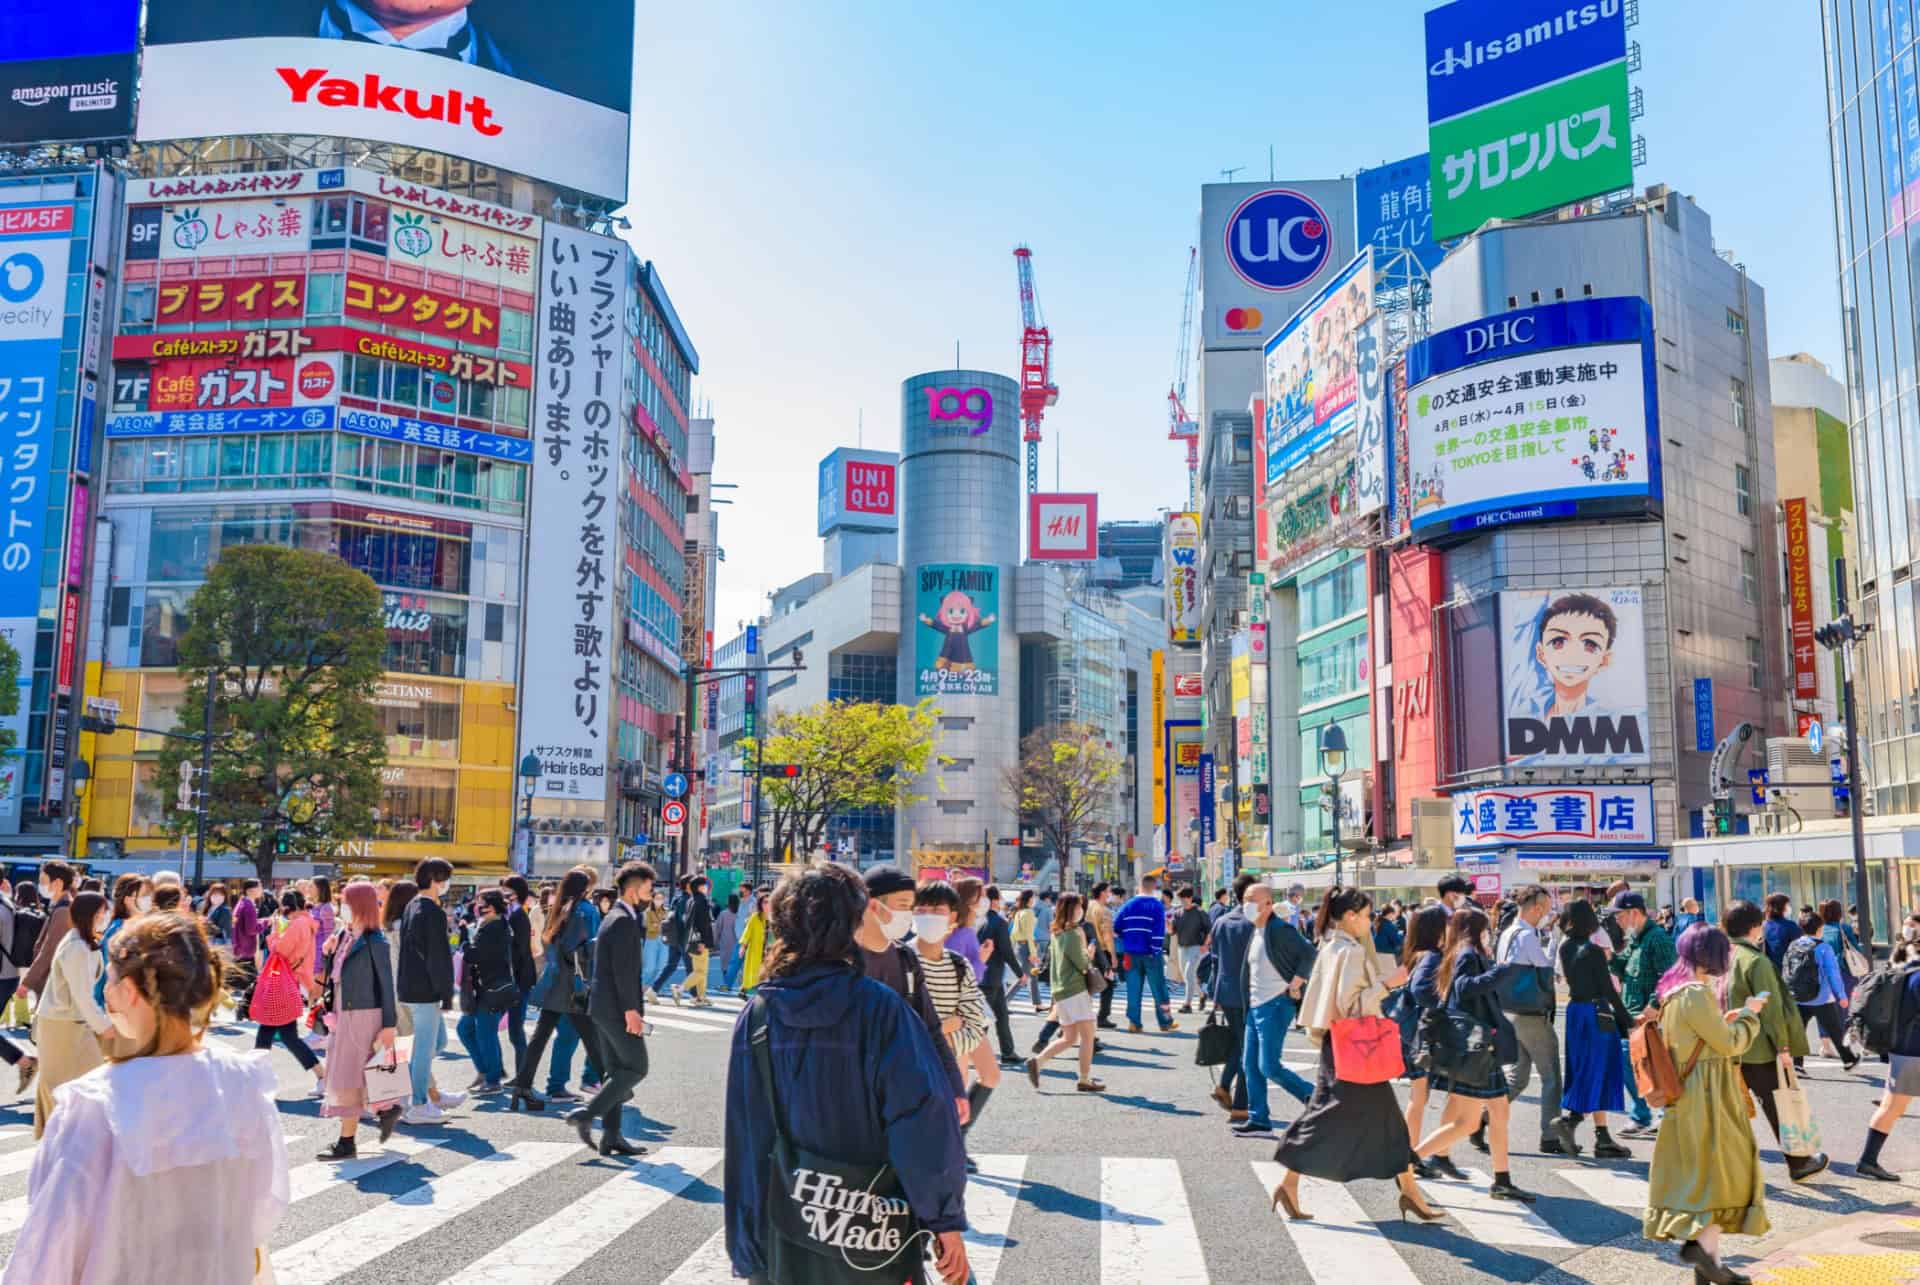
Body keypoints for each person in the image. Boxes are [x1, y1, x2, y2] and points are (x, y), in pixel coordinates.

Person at [2, 912, 288, 1284]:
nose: (104, 989)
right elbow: (263, 1207)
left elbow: (49, 1249)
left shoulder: (94, 1104)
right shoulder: (245, 1082)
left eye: (110, 978)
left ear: (132, 991)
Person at [722, 862, 970, 1285]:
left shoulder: (760, 1014)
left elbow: (746, 1136)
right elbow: (920, 1120)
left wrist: (748, 1250)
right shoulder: (881, 1009)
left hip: (783, 1231)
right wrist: (943, 1219)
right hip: (870, 1234)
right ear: (852, 923)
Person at [1268, 887, 1439, 1223]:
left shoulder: (1331, 945)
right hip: (1355, 1047)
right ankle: (1290, 1174)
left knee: (1374, 1119)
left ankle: (1410, 1192)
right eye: (1364, 915)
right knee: (1332, 1115)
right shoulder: (1352, 951)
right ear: (1349, 916)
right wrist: (1391, 983)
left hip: (1339, 1043)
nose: (1368, 921)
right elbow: (1353, 1005)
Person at [1643, 925, 1770, 1284]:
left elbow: (1699, 1038)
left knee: (1704, 1182)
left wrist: (1725, 1021)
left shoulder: (1673, 994)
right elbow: (1730, 1044)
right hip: (1708, 1097)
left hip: (1688, 1096)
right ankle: (1704, 1257)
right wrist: (1749, 1013)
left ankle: (1709, 1267)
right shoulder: (1696, 994)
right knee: (1719, 1177)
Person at [1411, 907, 1537, 1202]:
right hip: (1477, 1047)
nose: (1489, 932)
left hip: (1478, 1046)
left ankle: (1502, 1180)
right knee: (1468, 1123)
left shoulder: (1459, 951)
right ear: (1476, 930)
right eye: (1485, 928)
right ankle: (1409, 1160)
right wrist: (1501, 971)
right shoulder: (1467, 953)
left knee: (1499, 1112)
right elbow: (1465, 988)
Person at [1722, 900, 1826, 1182]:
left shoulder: (1723, 956)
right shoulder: (1755, 961)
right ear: (1755, 927)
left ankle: (1736, 1169)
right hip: (1758, 1047)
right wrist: (1783, 1047)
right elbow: (1771, 1009)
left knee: (1732, 1109)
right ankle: (1799, 1161)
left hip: (1730, 1045)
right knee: (1778, 1104)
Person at [853, 866, 969, 1116]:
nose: (908, 914)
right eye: (903, 905)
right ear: (873, 906)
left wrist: (955, 1086)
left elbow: (931, 1028)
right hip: (854, 1095)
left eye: (910, 906)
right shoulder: (845, 959)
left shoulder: (905, 958)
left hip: (900, 1093)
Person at [314, 882, 405, 1160]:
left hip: (364, 1015)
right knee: (356, 1074)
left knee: (348, 1077)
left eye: (346, 900)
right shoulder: (345, 935)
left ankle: (348, 1140)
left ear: (358, 905)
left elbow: (387, 986)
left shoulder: (375, 942)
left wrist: (389, 1025)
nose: (341, 904)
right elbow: (336, 976)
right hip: (344, 1013)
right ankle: (385, 1109)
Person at [572, 862, 653, 1157]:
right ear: (633, 891)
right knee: (636, 1067)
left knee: (617, 1070)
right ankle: (587, 1115)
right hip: (616, 1009)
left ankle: (611, 1135)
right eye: (648, 890)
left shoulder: (617, 917)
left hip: (604, 1007)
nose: (651, 896)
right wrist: (632, 1010)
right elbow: (623, 972)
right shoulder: (622, 920)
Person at [510, 865, 605, 1112]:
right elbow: (589, 951)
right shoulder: (586, 911)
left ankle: (522, 1087)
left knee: (540, 1037)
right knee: (594, 1038)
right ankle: (614, 1085)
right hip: (575, 985)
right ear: (586, 888)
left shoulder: (558, 909)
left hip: (554, 980)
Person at [913, 881, 997, 1152]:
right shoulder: (900, 960)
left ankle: (955, 1142)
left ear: (952, 914)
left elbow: (972, 1023)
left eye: (936, 910)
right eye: (921, 909)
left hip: (949, 1052)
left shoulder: (958, 965)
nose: (928, 916)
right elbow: (903, 1023)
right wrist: (946, 1025)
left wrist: (935, 1034)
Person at [1229, 881, 1316, 1141]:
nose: (1246, 905)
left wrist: (1296, 983)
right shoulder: (1256, 930)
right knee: (1250, 1066)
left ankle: (1314, 1097)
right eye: (1244, 899)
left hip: (1275, 1004)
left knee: (1268, 1066)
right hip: (1255, 1006)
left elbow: (1309, 953)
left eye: (1252, 900)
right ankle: (1259, 1119)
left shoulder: (1279, 929)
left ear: (1268, 904)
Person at [1551, 897, 1634, 1160]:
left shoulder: (1565, 949)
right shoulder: (1594, 950)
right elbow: (1608, 990)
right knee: (1603, 1070)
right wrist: (1628, 1021)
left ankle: (1601, 1134)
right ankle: (1575, 1123)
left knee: (1583, 1068)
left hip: (1575, 1012)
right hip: (1597, 1013)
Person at [31, 890, 111, 1138]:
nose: (104, 917)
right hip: (62, 1024)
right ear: (89, 915)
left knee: (80, 1082)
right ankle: (57, 1138)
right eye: (101, 913)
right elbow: (82, 994)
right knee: (60, 1083)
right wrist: (104, 1026)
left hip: (71, 1022)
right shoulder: (76, 946)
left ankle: (64, 1137)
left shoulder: (82, 942)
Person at [1496, 884, 1567, 1156]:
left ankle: (1481, 1118)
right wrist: (1556, 939)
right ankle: (1550, 1136)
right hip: (1530, 1013)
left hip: (1510, 1010)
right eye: (1546, 910)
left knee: (1518, 1077)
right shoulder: (1526, 935)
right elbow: (1545, 967)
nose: (1547, 915)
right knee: (1551, 1075)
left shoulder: (1506, 934)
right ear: (1536, 908)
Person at [397, 858, 466, 1124]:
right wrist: (446, 991)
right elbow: (438, 956)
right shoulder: (432, 912)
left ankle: (411, 1096)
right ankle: (417, 1104)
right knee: (426, 1048)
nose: (447, 884)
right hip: (425, 990)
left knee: (435, 1044)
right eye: (446, 878)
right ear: (437, 880)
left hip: (409, 986)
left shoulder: (411, 906)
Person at [1398, 905, 1464, 1180]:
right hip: (1420, 1037)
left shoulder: (1420, 954)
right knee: (1420, 1097)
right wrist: (1443, 1003)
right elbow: (1421, 991)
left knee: (1422, 1096)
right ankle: (1410, 1155)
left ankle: (1431, 1153)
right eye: (1447, 923)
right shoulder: (1431, 956)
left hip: (1415, 1035)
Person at [1025, 892, 1104, 1093]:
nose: (1081, 911)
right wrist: (1090, 954)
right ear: (1070, 909)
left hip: (1060, 991)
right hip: (1075, 990)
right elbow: (1083, 965)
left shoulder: (1057, 933)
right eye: (1078, 907)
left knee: (1069, 1037)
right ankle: (1084, 1079)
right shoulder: (1073, 934)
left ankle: (1038, 1061)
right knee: (1087, 1035)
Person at [1611, 890, 1673, 1136]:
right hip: (1632, 1017)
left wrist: (1654, 1006)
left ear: (1634, 913)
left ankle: (1659, 1113)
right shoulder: (1636, 939)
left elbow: (1668, 977)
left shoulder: (1657, 938)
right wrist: (1607, 957)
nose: (1617, 921)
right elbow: (1622, 966)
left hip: (1649, 1019)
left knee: (1655, 1066)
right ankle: (1641, 1114)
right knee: (1631, 1064)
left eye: (1620, 915)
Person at [254, 888, 326, 1097]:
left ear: (286, 907)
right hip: (293, 981)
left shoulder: (298, 925)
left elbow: (280, 951)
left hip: (284, 983)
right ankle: (257, 1078)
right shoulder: (308, 922)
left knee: (277, 1032)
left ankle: (256, 1078)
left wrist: (275, 933)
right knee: (278, 1033)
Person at [1857, 953, 1920, 1182]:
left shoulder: (1909, 969)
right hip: (1914, 1053)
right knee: (1891, 1109)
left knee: (1889, 1107)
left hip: (1901, 1049)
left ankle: (1868, 1160)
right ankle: (1868, 1161)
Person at [1204, 873, 1261, 1118]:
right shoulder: (1255, 924)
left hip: (1225, 992)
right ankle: (1238, 1103)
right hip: (1249, 992)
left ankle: (1226, 1087)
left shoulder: (1222, 922)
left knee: (1242, 1042)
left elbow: (1214, 959)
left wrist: (1213, 993)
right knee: (1248, 1046)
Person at [454, 889, 514, 1094]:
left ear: (494, 907)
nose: (478, 909)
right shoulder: (492, 925)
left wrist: (463, 939)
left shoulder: (494, 928)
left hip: (492, 989)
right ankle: (487, 1070)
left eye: (483, 905)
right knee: (466, 1029)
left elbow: (474, 955)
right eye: (477, 905)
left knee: (484, 1033)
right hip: (486, 988)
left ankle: (493, 1079)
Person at [1786, 910, 1858, 1070]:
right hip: (1821, 997)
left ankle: (1797, 1064)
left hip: (1798, 996)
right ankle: (1849, 1059)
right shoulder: (1824, 947)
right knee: (1835, 1030)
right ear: (1819, 928)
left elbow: (1787, 970)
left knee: (1799, 1030)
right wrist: (1841, 995)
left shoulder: (1794, 945)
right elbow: (1833, 974)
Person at [1114, 874, 1178, 1034]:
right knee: (1159, 989)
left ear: (1140, 886)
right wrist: (1155, 949)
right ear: (1154, 887)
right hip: (1151, 953)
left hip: (1130, 953)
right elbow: (1158, 932)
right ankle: (1165, 1022)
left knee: (1133, 989)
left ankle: (1134, 1023)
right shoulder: (1156, 906)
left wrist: (1127, 939)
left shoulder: (1127, 905)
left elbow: (1116, 927)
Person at [21, 859, 77, 1005]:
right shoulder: (64, 906)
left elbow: (50, 949)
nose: (40, 886)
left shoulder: (63, 911)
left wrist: (27, 982)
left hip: (52, 983)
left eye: (43, 881)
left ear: (57, 883)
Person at [979, 885, 1022, 1068]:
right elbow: (1006, 951)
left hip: (983, 974)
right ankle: (972, 1052)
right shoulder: (999, 922)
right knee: (983, 1019)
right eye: (1000, 897)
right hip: (992, 975)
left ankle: (1008, 1052)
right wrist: (1020, 973)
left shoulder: (977, 920)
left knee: (1001, 1015)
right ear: (995, 900)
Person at [500, 875, 538, 1081]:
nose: (504, 895)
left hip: (519, 980)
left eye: (507, 891)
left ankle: (523, 1075)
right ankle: (520, 1074)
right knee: (514, 1028)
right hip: (516, 979)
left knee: (516, 1028)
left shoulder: (518, 916)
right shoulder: (512, 914)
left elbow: (520, 952)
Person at [677, 875, 717, 1006]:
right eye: (705, 885)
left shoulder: (691, 900)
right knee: (700, 972)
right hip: (700, 941)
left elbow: (690, 923)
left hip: (690, 940)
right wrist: (702, 942)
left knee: (701, 971)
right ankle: (680, 989)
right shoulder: (702, 901)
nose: (706, 888)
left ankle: (701, 997)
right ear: (700, 887)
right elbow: (702, 923)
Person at [1172, 887, 1211, 1013]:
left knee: (1189, 973)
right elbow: (1172, 931)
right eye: (1180, 899)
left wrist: (1205, 945)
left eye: (1183, 899)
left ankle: (1187, 1004)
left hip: (1196, 947)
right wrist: (1168, 925)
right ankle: (1202, 995)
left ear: (1189, 898)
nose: (1181, 901)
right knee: (1188, 977)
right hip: (1182, 947)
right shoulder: (1178, 913)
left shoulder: (1199, 912)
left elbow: (1209, 930)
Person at [652, 875, 692, 997]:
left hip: (673, 937)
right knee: (692, 968)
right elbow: (686, 920)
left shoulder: (676, 898)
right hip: (684, 938)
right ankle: (695, 995)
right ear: (689, 885)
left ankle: (653, 989)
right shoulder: (688, 900)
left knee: (670, 966)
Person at [1087, 882, 1119, 1029]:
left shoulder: (1087, 906)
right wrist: (1113, 955)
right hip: (1103, 951)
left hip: (1088, 950)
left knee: (1088, 983)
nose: (1110, 894)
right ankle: (1102, 1016)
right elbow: (1107, 935)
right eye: (1108, 892)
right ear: (1102, 893)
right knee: (1109, 984)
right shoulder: (1104, 911)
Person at [1819, 898, 1865, 994]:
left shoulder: (1820, 930)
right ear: (1839, 912)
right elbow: (1856, 949)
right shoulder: (1844, 928)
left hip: (1826, 974)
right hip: (1844, 972)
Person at [1009, 889, 1041, 1011]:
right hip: (1027, 946)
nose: (1035, 900)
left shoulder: (1019, 912)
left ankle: (1037, 1003)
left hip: (1020, 945)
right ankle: (1005, 1001)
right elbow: (1029, 934)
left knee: (1033, 974)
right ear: (1029, 899)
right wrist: (1033, 953)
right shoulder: (1028, 912)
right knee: (1024, 977)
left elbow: (1013, 933)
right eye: (1033, 897)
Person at [738, 887, 768, 995]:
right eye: (765, 902)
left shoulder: (776, 917)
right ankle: (751, 992)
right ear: (760, 904)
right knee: (754, 973)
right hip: (756, 950)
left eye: (769, 902)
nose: (767, 905)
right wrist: (743, 947)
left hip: (770, 952)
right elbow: (747, 932)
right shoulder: (755, 917)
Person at [1761, 893, 1801, 972]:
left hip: (1768, 971)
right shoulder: (1791, 926)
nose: (1789, 908)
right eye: (1787, 905)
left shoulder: (1763, 926)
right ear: (1782, 907)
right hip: (1787, 973)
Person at [642, 886, 669, 998]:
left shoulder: (666, 911)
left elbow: (667, 926)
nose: (659, 901)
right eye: (657, 898)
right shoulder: (647, 912)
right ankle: (642, 986)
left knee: (661, 966)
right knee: (650, 966)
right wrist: (660, 925)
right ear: (652, 899)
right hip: (651, 939)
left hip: (664, 940)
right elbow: (648, 926)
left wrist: (657, 925)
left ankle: (655, 988)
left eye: (661, 898)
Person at [714, 893, 740, 993]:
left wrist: (715, 942)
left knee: (725, 965)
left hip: (725, 942)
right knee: (735, 964)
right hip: (738, 942)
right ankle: (738, 984)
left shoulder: (724, 914)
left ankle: (726, 985)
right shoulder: (740, 913)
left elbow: (717, 929)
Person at [203, 882, 233, 947]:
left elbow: (220, 931)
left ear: (225, 896)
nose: (217, 896)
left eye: (220, 894)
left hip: (219, 944)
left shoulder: (225, 910)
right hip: (210, 943)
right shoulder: (210, 908)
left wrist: (206, 922)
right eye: (214, 894)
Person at [311, 875, 336, 943]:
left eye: (311, 886)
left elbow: (329, 934)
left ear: (319, 888)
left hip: (320, 949)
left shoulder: (326, 908)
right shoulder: (313, 906)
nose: (308, 889)